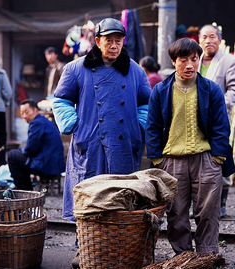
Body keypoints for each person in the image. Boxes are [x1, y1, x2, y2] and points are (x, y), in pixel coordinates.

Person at [52, 17, 151, 268]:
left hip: (124, 145)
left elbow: (146, 104)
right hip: (90, 145)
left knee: (121, 198)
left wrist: (138, 126)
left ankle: (119, 249)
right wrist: (75, 126)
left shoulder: (136, 71)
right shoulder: (75, 68)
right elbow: (61, 100)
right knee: (89, 199)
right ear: (97, 41)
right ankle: (83, 249)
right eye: (109, 40)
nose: (114, 45)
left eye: (119, 40)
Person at [146, 38, 235, 255]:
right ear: (173, 61)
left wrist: (217, 158)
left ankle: (206, 255)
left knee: (208, 211)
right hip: (171, 162)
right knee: (176, 212)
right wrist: (158, 160)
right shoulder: (160, 91)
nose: (189, 65)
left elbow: (222, 126)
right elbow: (153, 126)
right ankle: (183, 256)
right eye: (183, 60)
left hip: (206, 159)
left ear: (199, 60)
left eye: (194, 59)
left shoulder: (211, 89)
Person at [198, 24, 235, 217]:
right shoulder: (195, 60)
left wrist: (214, 108)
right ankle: (202, 203)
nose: (208, 41)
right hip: (196, 121)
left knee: (220, 158)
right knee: (198, 160)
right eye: (204, 37)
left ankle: (221, 203)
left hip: (219, 120)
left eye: (212, 37)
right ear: (199, 40)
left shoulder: (229, 61)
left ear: (220, 39)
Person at [7, 99, 65, 190]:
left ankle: (23, 189)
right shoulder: (44, 121)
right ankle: (25, 188)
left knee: (12, 155)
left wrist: (23, 151)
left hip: (46, 165)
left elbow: (30, 149)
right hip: (55, 164)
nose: (24, 116)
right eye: (22, 113)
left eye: (27, 112)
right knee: (19, 155)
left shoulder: (36, 123)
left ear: (36, 110)